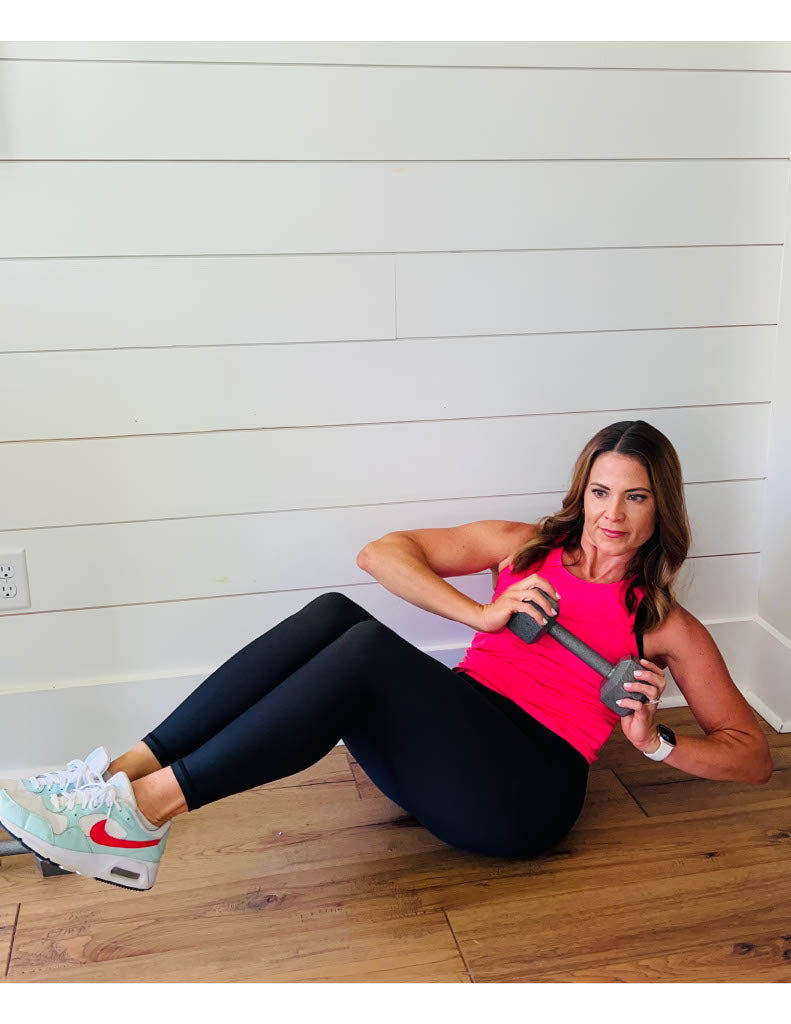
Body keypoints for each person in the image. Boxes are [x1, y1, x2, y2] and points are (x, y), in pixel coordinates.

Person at [0, 420, 772, 891]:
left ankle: (136, 818)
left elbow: (751, 757)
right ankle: (108, 787)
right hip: (454, 747)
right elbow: (381, 553)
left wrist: (654, 740)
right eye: (602, 491)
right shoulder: (523, 549)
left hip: (524, 796)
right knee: (337, 612)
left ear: (658, 506)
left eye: (634, 497)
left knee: (366, 648)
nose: (612, 514)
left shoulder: (663, 623)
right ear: (583, 491)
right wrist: (483, 610)